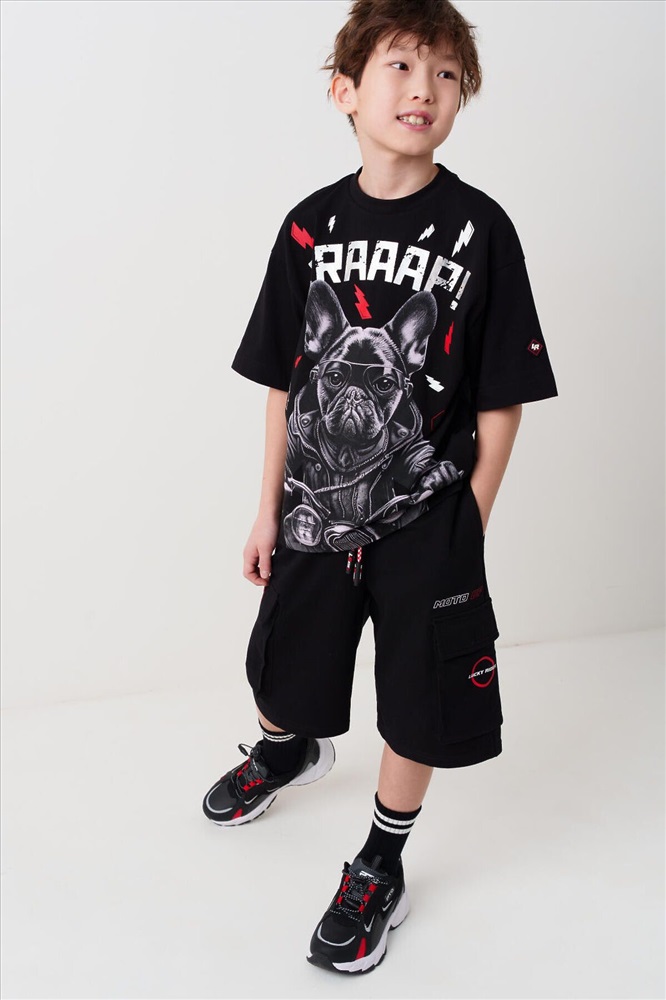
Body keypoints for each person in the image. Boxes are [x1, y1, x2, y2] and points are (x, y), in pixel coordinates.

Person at [202, 0, 558, 976]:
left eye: (445, 74)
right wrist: (268, 505)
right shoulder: (308, 226)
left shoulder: (482, 231)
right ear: (345, 91)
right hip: (315, 506)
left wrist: (468, 520)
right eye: (400, 66)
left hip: (425, 516)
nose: (424, 89)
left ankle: (380, 859)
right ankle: (285, 749)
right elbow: (284, 380)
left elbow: (502, 397)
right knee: (286, 660)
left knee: (419, 696)